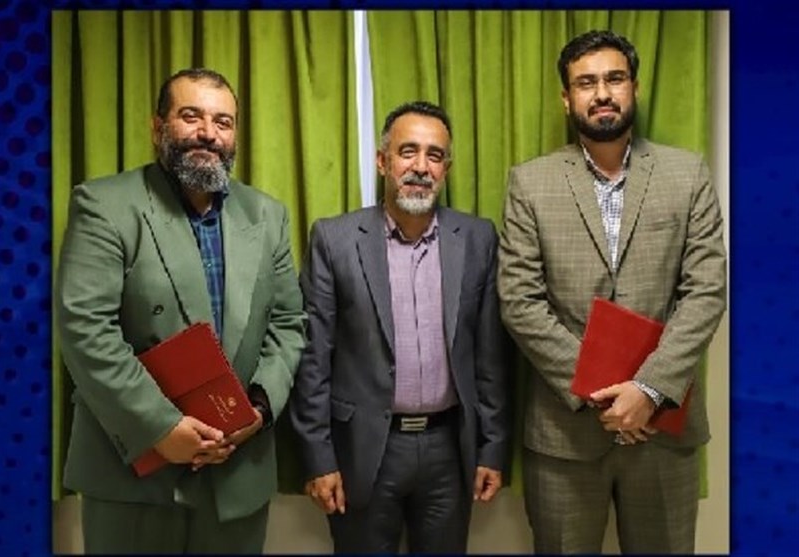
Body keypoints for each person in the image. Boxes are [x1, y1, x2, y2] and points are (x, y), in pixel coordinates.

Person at [55, 68, 306, 554]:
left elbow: (288, 325)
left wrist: (257, 408)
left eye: (223, 122)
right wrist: (160, 427)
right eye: (191, 116)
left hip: (237, 469)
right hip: (134, 476)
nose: (208, 133)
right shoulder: (104, 205)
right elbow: (85, 328)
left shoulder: (267, 214)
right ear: (158, 127)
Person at [498, 30, 727, 554]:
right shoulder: (529, 184)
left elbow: (706, 291)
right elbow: (519, 301)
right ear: (566, 98)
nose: (602, 93)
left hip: (663, 433)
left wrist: (647, 390)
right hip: (565, 435)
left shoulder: (687, 173)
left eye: (614, 79)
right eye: (586, 83)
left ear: (635, 88)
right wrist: (606, 391)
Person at [290, 101, 511, 553]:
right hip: (364, 449)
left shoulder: (477, 238)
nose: (421, 167)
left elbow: (491, 355)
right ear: (382, 161)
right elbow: (313, 358)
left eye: (435, 155)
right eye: (408, 151)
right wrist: (318, 458)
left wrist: (492, 447)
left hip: (449, 449)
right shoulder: (334, 240)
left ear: (446, 169)